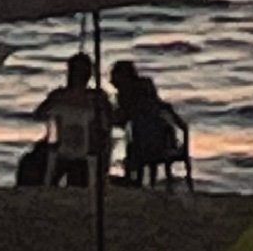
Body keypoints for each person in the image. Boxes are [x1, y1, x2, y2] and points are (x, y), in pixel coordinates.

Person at [34, 52, 113, 187]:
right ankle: (97, 178)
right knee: (103, 139)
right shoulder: (96, 97)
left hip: (60, 147)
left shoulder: (58, 96)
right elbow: (107, 122)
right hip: (88, 148)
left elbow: (39, 114)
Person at [109, 60, 188, 188]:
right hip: (164, 137)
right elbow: (162, 107)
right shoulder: (146, 86)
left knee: (133, 148)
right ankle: (142, 182)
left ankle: (134, 182)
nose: (111, 81)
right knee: (135, 143)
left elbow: (123, 119)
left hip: (149, 142)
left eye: (113, 76)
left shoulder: (126, 95)